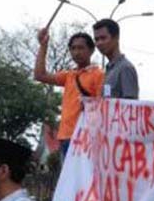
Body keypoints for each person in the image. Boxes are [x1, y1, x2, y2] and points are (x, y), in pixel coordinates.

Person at [34, 28, 104, 156]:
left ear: (91, 50)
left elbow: (102, 107)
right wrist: (43, 46)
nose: (76, 52)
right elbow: (39, 75)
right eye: (73, 48)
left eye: (81, 48)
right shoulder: (69, 75)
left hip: (85, 138)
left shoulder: (98, 75)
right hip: (65, 137)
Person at [93, 18, 139, 99]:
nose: (99, 43)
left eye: (103, 38)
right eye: (96, 39)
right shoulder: (108, 70)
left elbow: (130, 106)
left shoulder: (125, 68)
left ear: (116, 38)